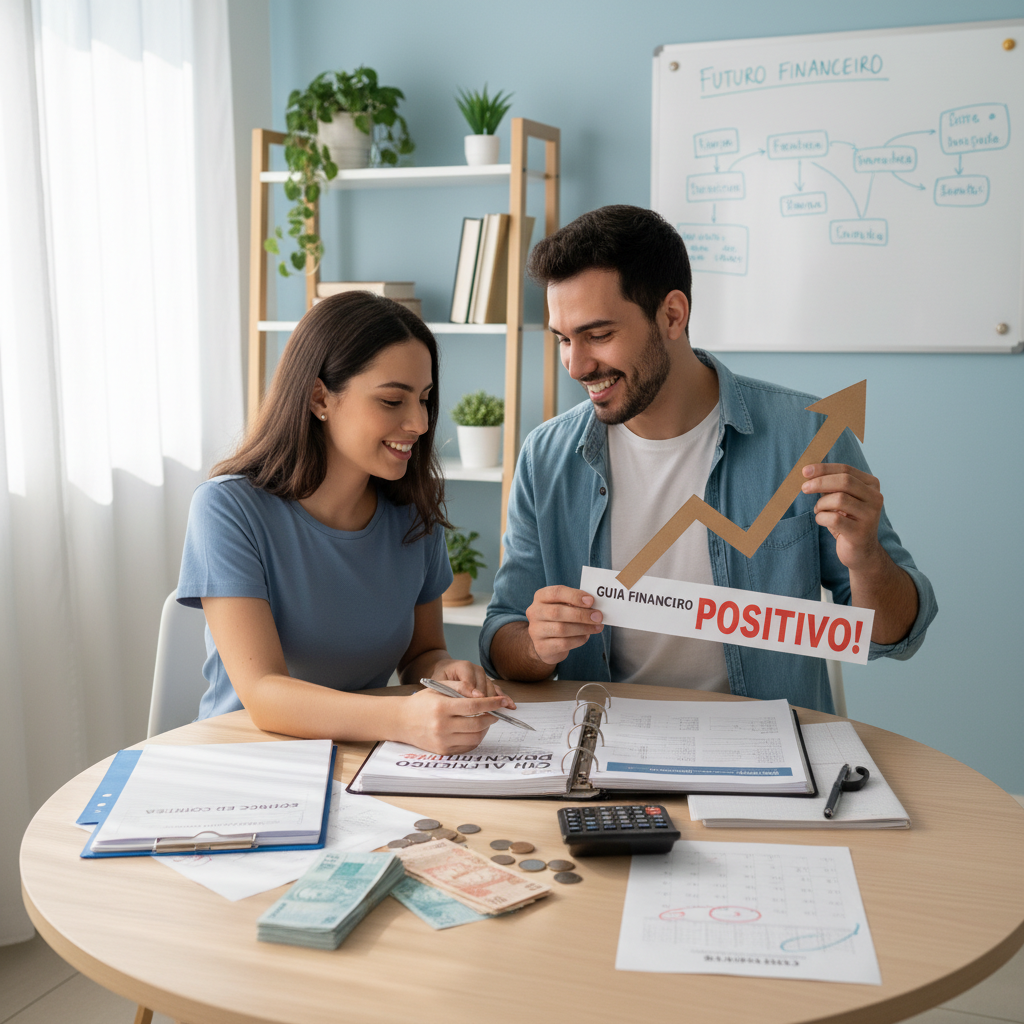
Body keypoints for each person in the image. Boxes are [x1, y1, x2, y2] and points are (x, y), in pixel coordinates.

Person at [481, 205, 936, 712]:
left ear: (673, 315)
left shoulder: (807, 435)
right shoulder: (547, 457)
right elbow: (502, 636)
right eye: (564, 339)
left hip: (768, 755)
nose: (576, 364)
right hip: (609, 745)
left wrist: (867, 558)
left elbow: (894, 637)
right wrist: (537, 646)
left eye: (599, 335)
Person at [177, 291, 514, 753]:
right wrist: (402, 719)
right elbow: (262, 694)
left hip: (363, 757)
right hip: (249, 760)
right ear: (320, 397)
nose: (418, 422)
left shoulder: (414, 511)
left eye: (425, 399)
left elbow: (421, 652)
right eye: (393, 400)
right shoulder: (228, 509)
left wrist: (443, 672)